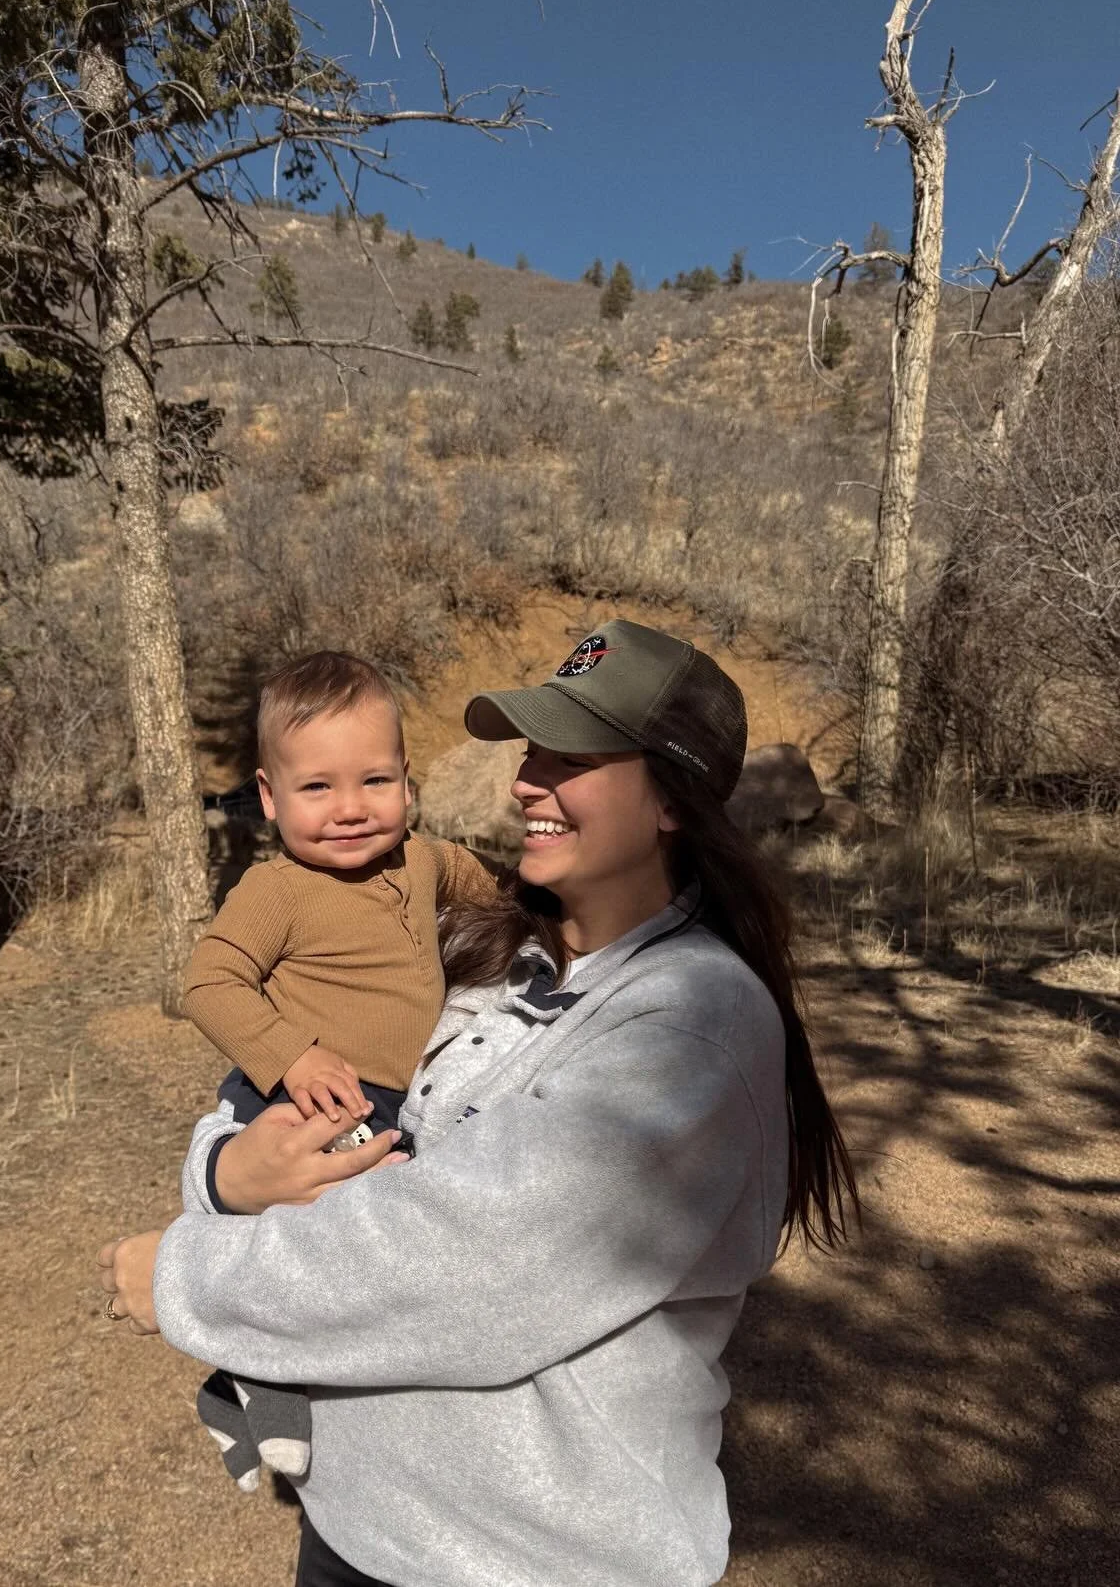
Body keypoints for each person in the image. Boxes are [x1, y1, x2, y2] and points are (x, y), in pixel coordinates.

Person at [99, 618, 858, 1587]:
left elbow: (455, 1261)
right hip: (361, 1528)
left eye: (572, 757)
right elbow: (283, 1099)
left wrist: (182, 1273)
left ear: (671, 797)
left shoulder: (692, 1027)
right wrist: (225, 1170)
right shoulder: (495, 957)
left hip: (528, 1561)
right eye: (533, 748)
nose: (527, 782)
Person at [182, 650, 495, 1493]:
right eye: (317, 789)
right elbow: (206, 980)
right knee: (320, 1236)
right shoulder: (275, 888)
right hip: (298, 1093)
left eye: (376, 780)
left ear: (408, 782)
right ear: (271, 796)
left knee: (364, 1242)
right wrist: (290, 1052)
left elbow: (492, 895)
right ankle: (268, 1374)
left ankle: (228, 1384)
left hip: (385, 1098)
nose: (351, 809)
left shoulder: (424, 862)